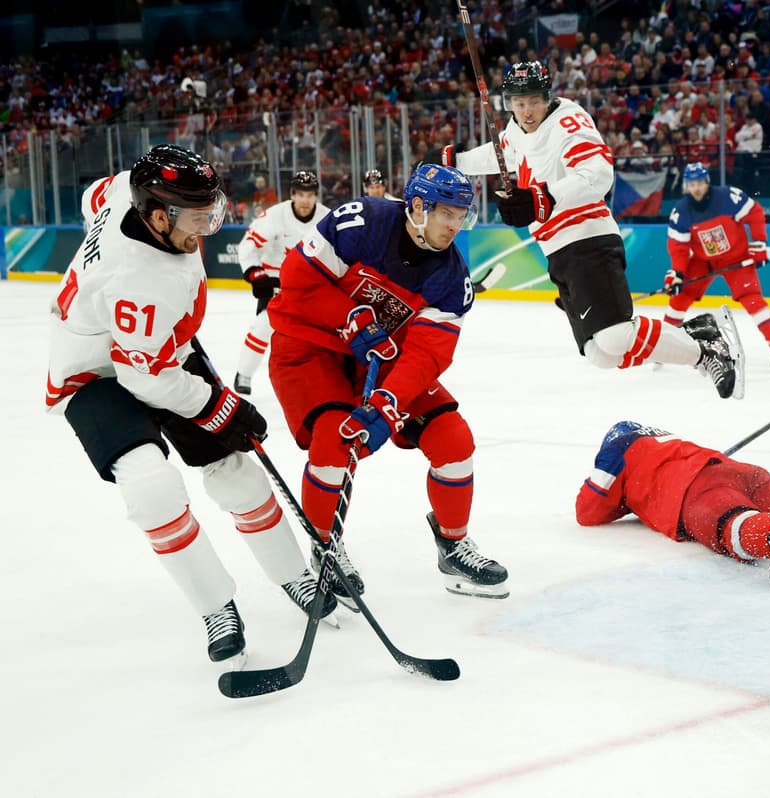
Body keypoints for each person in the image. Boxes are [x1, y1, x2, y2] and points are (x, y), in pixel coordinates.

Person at [46, 144, 335, 664]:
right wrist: (224, 407)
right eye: (198, 217)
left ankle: (295, 576)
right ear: (158, 215)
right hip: (95, 374)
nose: (208, 226)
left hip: (156, 349)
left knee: (232, 467)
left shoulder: (125, 192)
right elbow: (147, 382)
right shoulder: (142, 282)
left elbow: (96, 196)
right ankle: (215, 606)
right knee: (150, 486)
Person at [268, 164, 509, 601]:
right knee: (334, 439)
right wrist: (351, 318)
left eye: (463, 216)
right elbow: (297, 280)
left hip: (381, 360)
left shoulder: (452, 277)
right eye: (448, 214)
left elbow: (429, 353)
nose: (456, 226)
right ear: (418, 206)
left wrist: (388, 403)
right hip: (310, 346)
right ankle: (325, 549)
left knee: (453, 438)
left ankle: (453, 544)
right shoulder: (363, 222)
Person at [438, 60, 746, 400]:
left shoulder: (568, 123)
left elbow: (599, 175)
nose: (526, 110)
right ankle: (696, 332)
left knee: (615, 336)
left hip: (587, 236)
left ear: (547, 96)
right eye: (519, 102)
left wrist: (541, 199)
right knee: (600, 354)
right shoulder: (515, 129)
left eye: (534, 100)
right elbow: (505, 154)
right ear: (509, 103)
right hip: (556, 250)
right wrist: (457, 162)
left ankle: (706, 352)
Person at [576, 417, 770, 587]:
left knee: (731, 523)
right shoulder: (662, 438)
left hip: (697, 490)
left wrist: (629, 500)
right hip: (741, 472)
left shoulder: (616, 448)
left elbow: (587, 511)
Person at [664, 162, 770, 370]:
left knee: (752, 300)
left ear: (706, 182)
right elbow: (678, 246)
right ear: (686, 186)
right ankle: (662, 346)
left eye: (699, 183)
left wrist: (759, 243)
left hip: (736, 258)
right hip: (703, 261)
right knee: (679, 297)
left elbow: (755, 212)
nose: (696, 188)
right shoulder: (681, 211)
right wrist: (677, 273)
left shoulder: (727, 197)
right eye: (691, 184)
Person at [233, 171, 329, 394]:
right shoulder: (275, 215)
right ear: (292, 195)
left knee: (318, 334)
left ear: (316, 196)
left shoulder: (326, 218)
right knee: (264, 324)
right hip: (277, 281)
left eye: (310, 195)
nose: (305, 200)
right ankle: (244, 375)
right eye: (301, 194)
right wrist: (256, 275)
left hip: (310, 284)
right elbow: (248, 245)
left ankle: (318, 378)